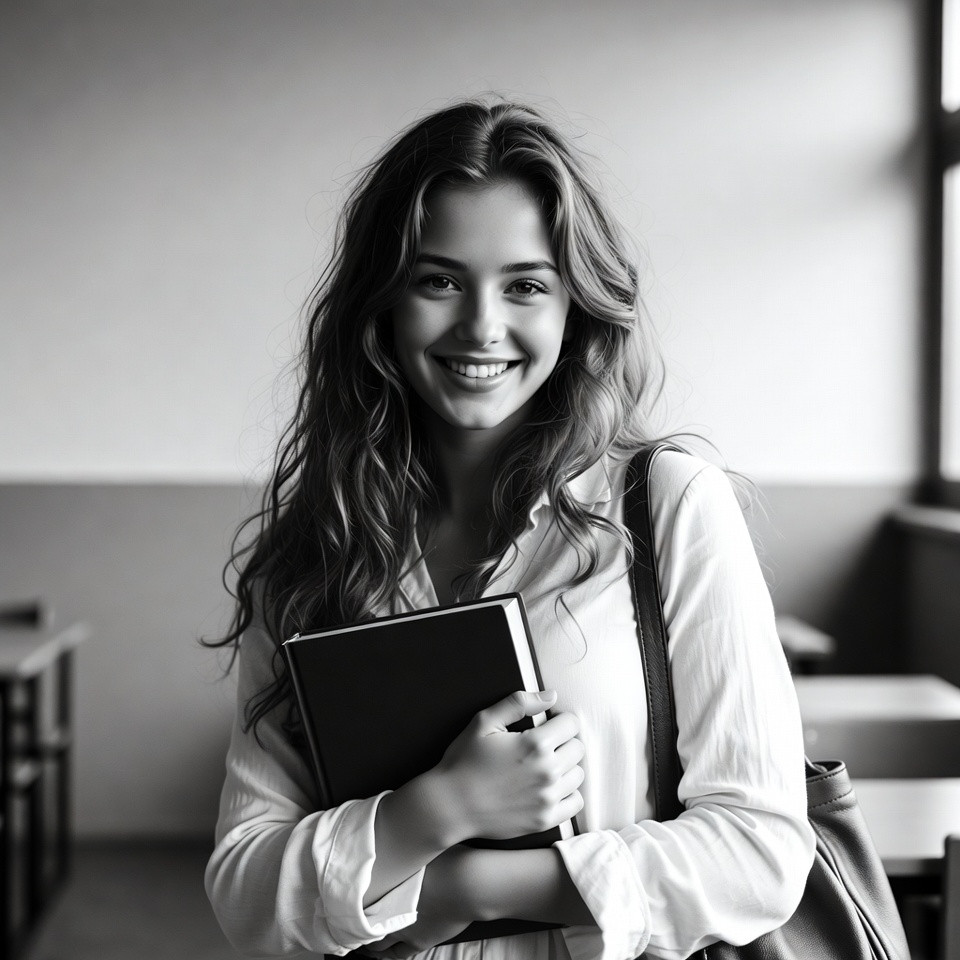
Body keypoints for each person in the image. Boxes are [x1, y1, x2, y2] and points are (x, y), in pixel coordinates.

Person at [204, 97, 815, 960]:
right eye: (440, 280)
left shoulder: (668, 504)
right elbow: (243, 888)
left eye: (525, 284)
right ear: (383, 302)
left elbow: (760, 851)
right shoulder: (313, 550)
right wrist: (435, 814)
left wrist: (465, 889)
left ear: (576, 309)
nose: (482, 327)